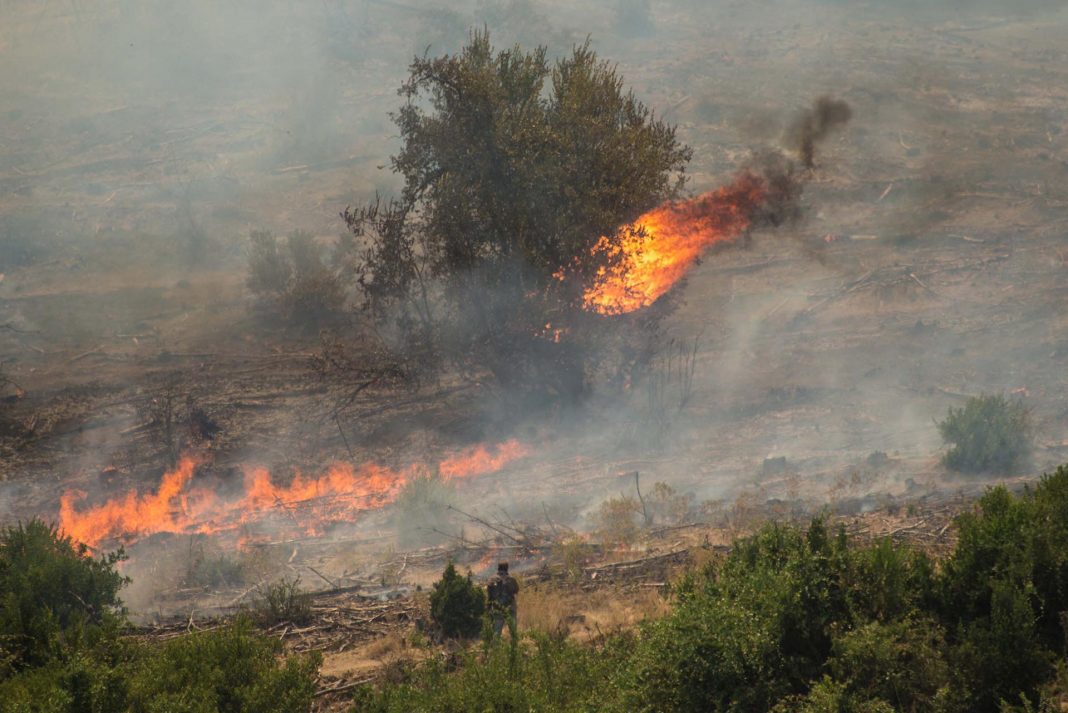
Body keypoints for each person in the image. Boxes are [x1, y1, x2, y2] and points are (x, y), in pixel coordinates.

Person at [487, 561, 519, 638]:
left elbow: (490, 596)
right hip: (510, 608)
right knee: (513, 632)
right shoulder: (511, 579)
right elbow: (516, 590)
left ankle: (495, 648)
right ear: (507, 568)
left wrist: (488, 609)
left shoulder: (492, 580)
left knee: (496, 633)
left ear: (498, 568)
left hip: (497, 608)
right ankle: (514, 647)